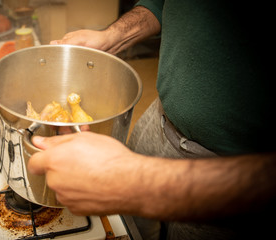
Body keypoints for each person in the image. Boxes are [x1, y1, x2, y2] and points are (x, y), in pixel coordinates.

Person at [27, 0, 275, 239]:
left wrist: (137, 183)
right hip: (160, 115)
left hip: (227, 168)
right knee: (131, 226)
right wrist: (112, 36)